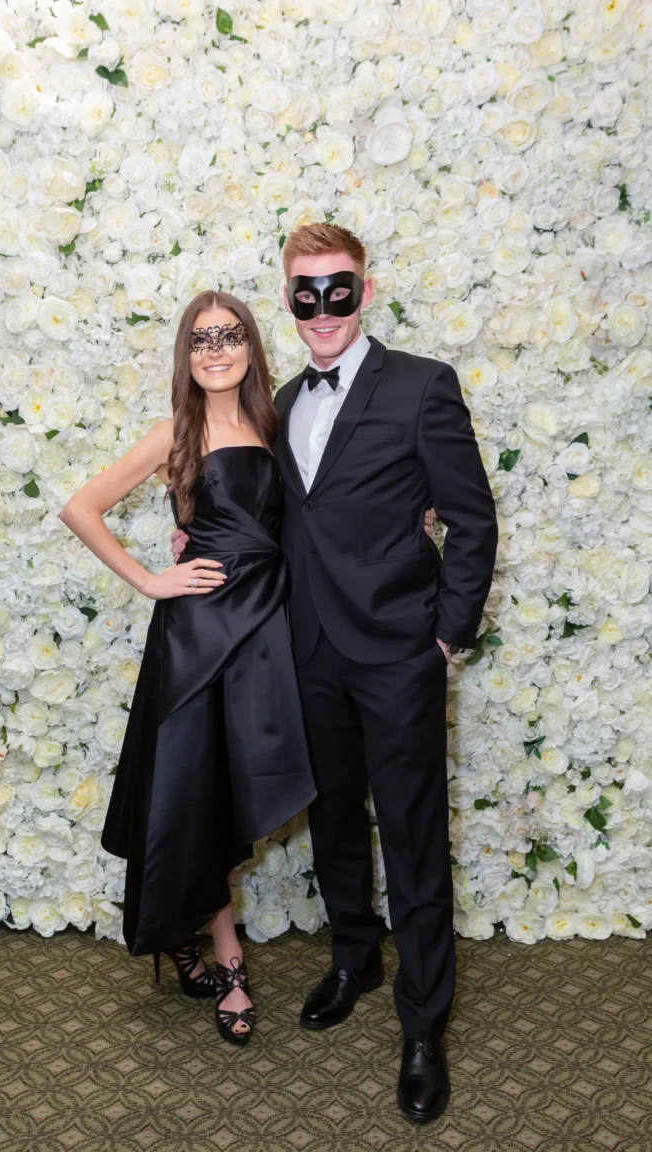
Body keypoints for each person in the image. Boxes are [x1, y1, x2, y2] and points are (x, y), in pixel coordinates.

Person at [173, 223, 498, 1122]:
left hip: (398, 655)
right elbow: (275, 519)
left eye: (338, 289)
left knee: (414, 838)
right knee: (336, 830)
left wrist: (444, 635)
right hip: (305, 650)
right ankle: (353, 956)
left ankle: (424, 1025)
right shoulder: (277, 400)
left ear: (363, 290)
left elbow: (471, 520)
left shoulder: (422, 386)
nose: (322, 308)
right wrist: (193, 537)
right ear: (287, 299)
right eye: (304, 293)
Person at [58, 291, 318, 1045]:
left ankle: (186, 926)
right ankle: (227, 958)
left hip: (266, 624)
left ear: (251, 347)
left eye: (230, 335)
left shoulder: (273, 425)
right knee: (197, 792)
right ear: (186, 354)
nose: (215, 349)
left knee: (239, 784)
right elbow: (82, 507)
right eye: (201, 339)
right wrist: (151, 579)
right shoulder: (174, 429)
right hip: (199, 634)